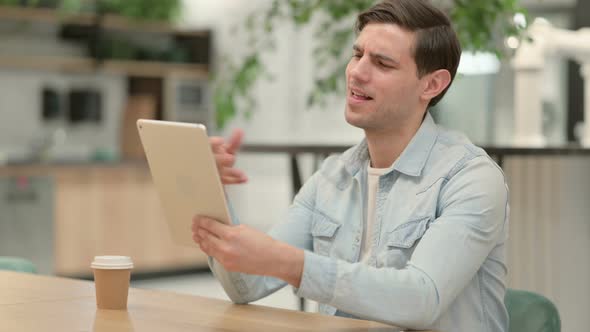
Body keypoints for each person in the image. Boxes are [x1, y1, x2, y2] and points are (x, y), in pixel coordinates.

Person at [192, 0, 509, 331]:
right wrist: (208, 189)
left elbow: (421, 299)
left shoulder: (471, 178)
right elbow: (247, 284)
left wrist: (287, 262)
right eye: (357, 55)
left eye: (382, 63)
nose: (357, 72)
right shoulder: (332, 176)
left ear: (431, 85)